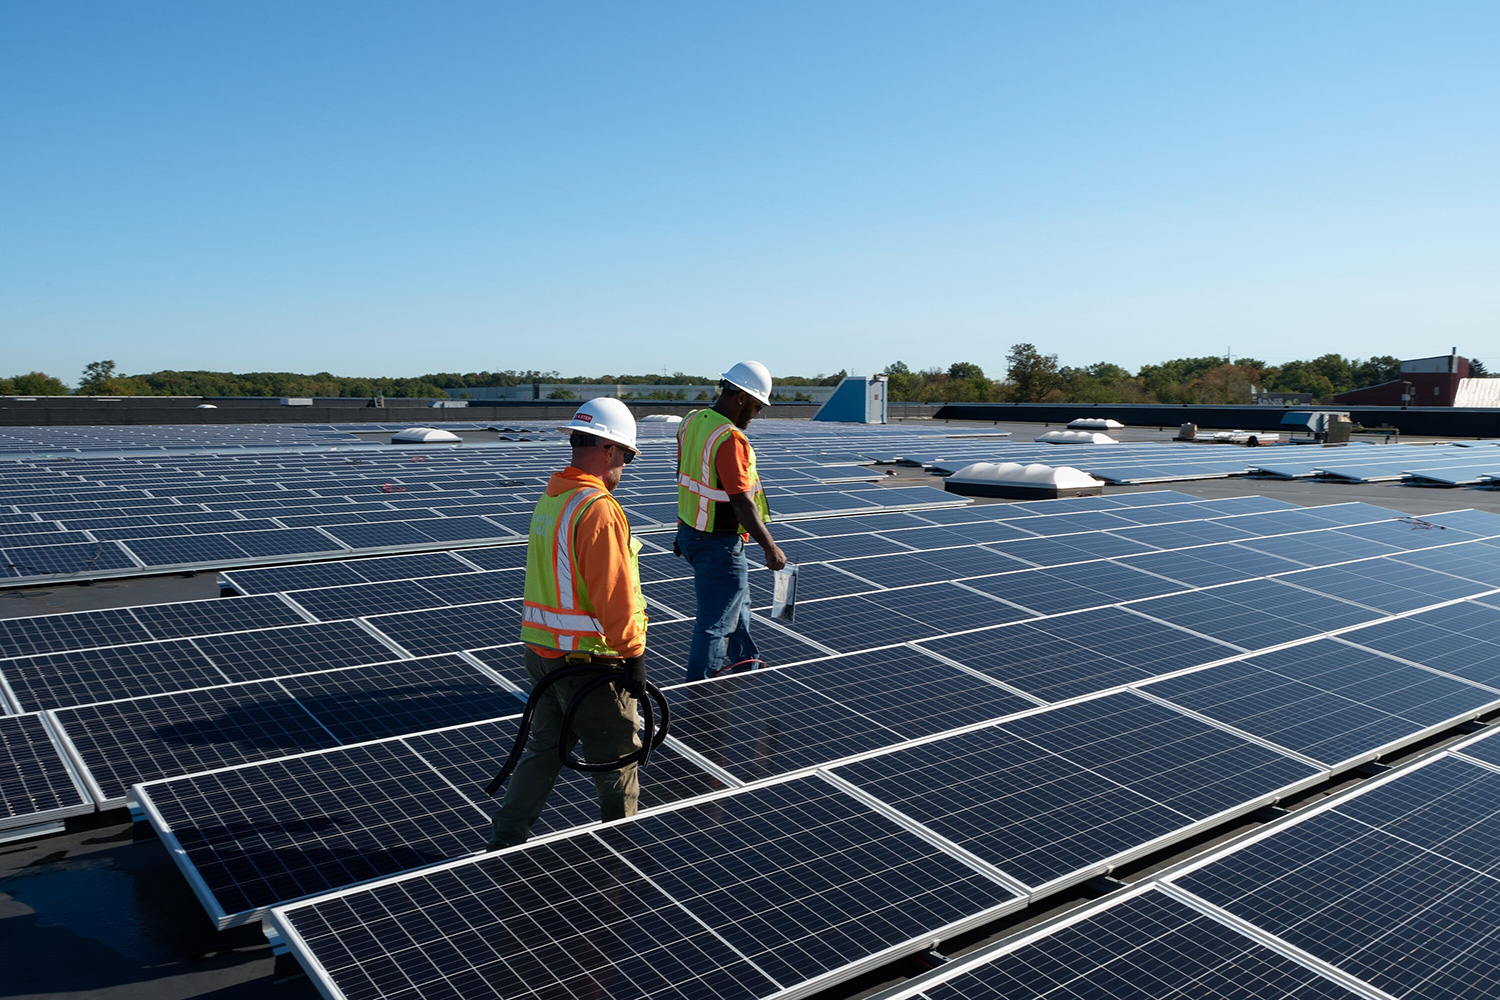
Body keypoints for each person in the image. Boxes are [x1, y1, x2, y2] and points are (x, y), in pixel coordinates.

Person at [487, 397, 649, 850]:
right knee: (617, 761)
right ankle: (622, 855)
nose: (624, 470)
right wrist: (633, 654)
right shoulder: (597, 508)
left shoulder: (553, 497)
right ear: (610, 451)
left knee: (542, 752)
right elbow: (613, 595)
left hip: (542, 655)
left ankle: (503, 840)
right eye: (626, 459)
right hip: (589, 664)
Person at [674, 360, 787, 682]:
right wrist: (771, 548)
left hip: (691, 532)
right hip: (716, 543)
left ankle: (745, 663)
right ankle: (702, 693)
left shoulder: (693, 421)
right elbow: (740, 502)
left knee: (738, 604)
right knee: (716, 623)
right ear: (740, 398)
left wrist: (682, 528)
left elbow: (686, 480)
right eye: (756, 406)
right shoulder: (730, 438)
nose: (757, 413)